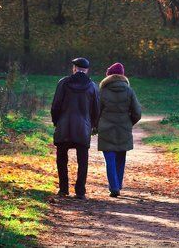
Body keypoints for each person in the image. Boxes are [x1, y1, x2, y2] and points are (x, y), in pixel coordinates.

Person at [50, 57, 99, 199]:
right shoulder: (92, 86)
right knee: (82, 160)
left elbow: (56, 105)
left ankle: (63, 189)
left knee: (61, 159)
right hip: (83, 128)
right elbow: (96, 108)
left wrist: (56, 121)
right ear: (87, 70)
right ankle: (80, 191)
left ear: (74, 68)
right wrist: (93, 125)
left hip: (64, 126)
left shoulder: (63, 83)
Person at [97, 62, 142, 197]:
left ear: (109, 76)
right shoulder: (129, 91)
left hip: (106, 130)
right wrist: (129, 122)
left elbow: (96, 111)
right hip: (124, 129)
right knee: (121, 158)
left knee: (109, 159)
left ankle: (114, 187)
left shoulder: (103, 91)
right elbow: (137, 113)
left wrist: (97, 125)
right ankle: (118, 184)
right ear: (122, 75)